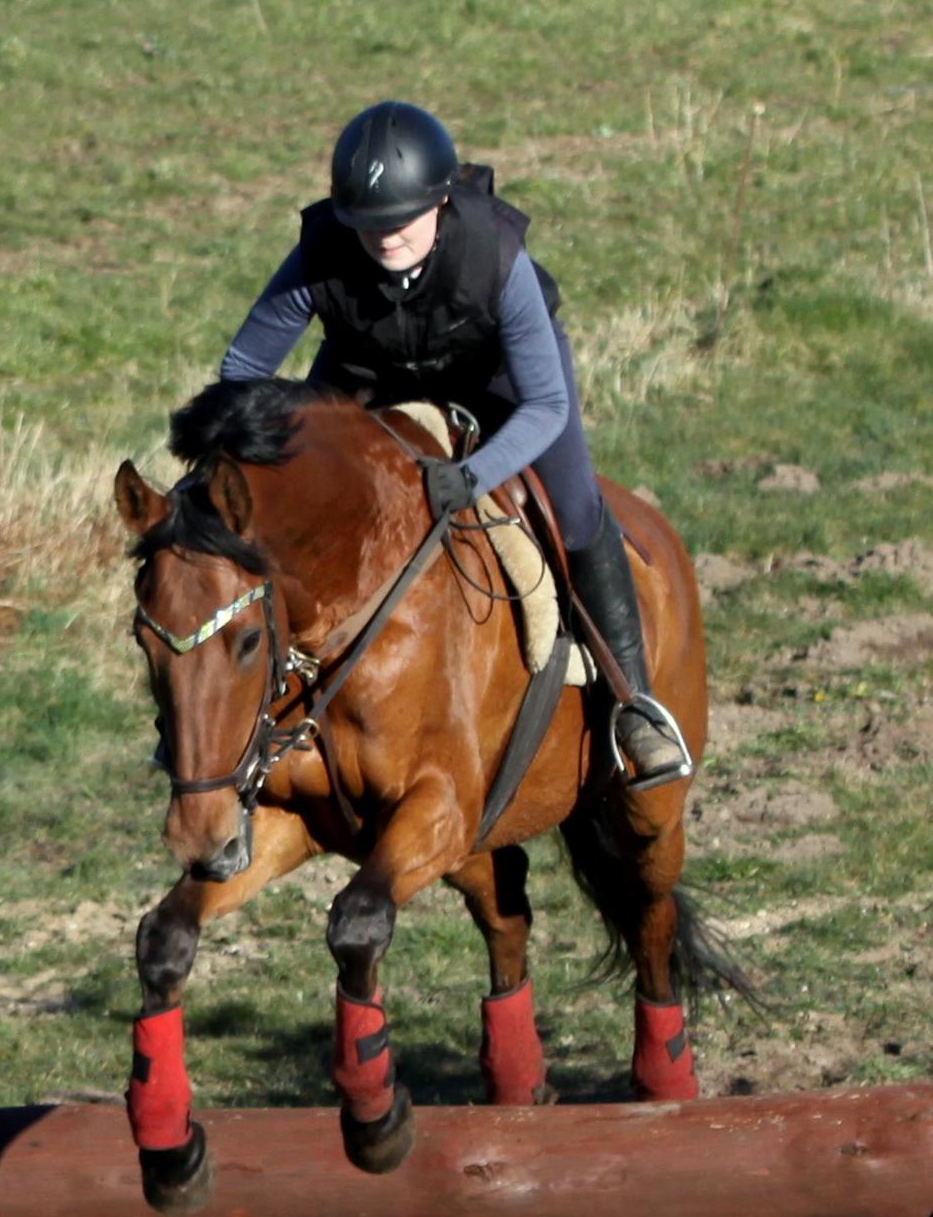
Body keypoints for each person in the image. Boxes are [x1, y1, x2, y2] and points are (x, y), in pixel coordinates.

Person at [219, 100, 692, 790]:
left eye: (402, 219)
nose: (384, 237)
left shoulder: (495, 254)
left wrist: (473, 477)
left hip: (503, 382)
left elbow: (547, 406)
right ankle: (256, 706)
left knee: (574, 509)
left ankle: (634, 706)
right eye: (367, 223)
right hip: (371, 379)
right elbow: (242, 371)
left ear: (440, 201)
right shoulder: (322, 251)